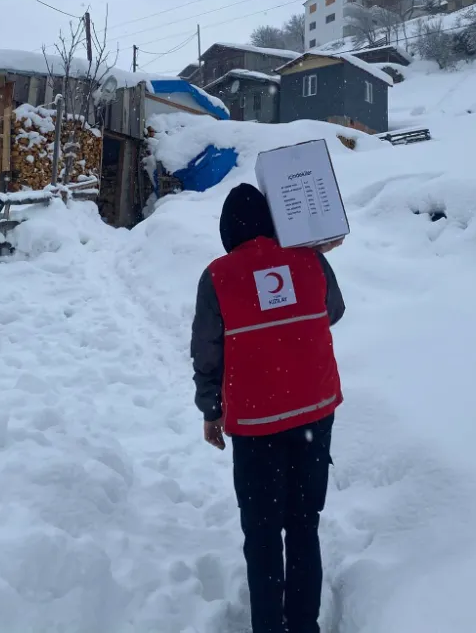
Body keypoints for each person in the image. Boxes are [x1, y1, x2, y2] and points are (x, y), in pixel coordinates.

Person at [191, 182, 345, 633]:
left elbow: (207, 350)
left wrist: (210, 408)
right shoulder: (310, 258)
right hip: (316, 411)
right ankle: (303, 625)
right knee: (303, 524)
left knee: (261, 535)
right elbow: (332, 310)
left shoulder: (218, 275)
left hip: (257, 423)